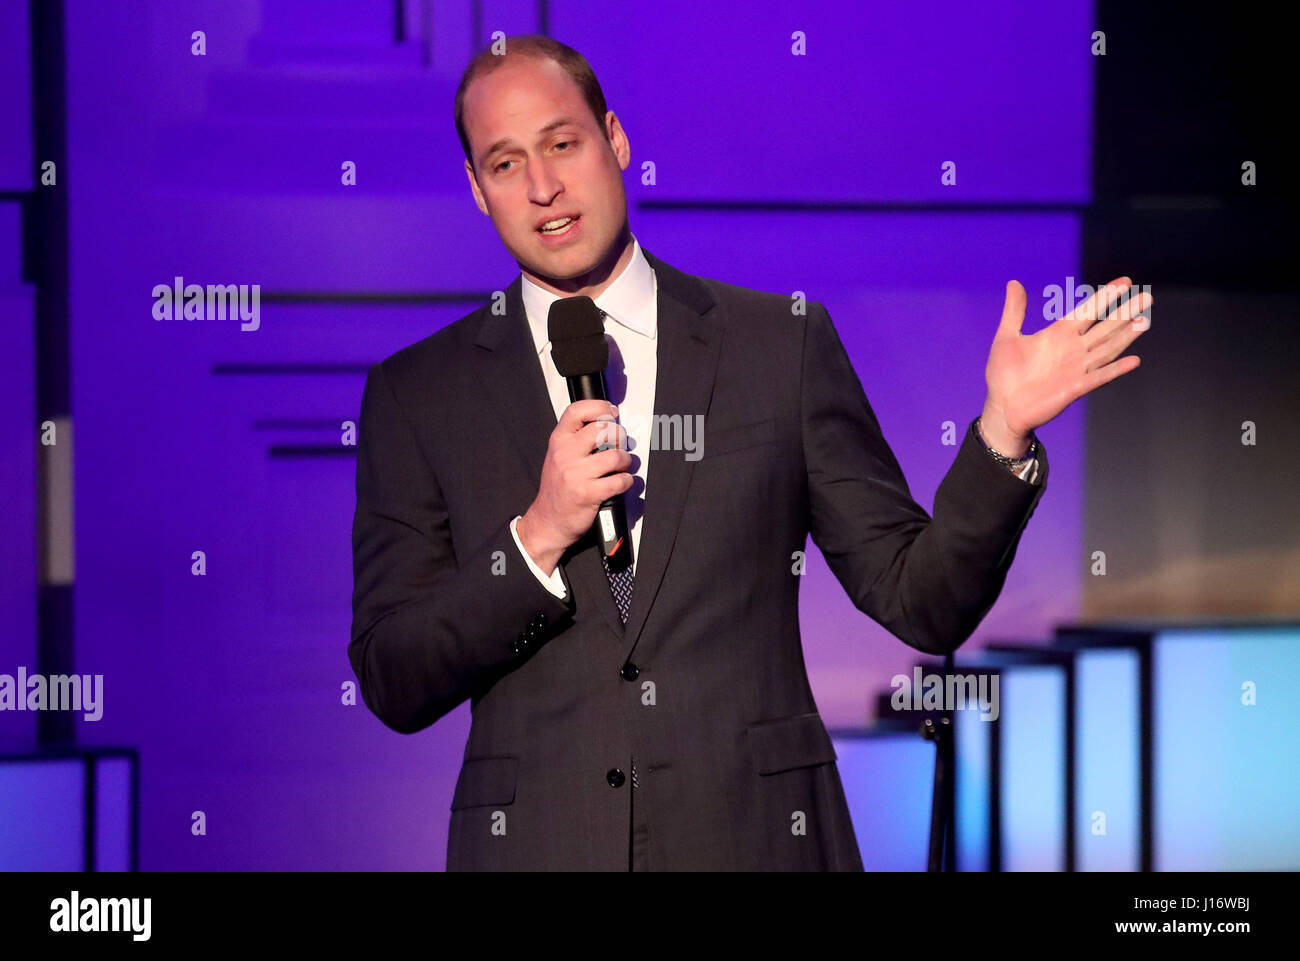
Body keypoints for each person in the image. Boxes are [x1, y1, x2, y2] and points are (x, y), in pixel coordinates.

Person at [348, 35, 1151, 871]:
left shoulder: (777, 346)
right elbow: (394, 676)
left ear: (615, 140)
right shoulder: (419, 394)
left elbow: (922, 601)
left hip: (759, 837)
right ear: (478, 192)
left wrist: (1003, 431)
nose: (544, 186)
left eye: (562, 142)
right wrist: (537, 537)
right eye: (505, 163)